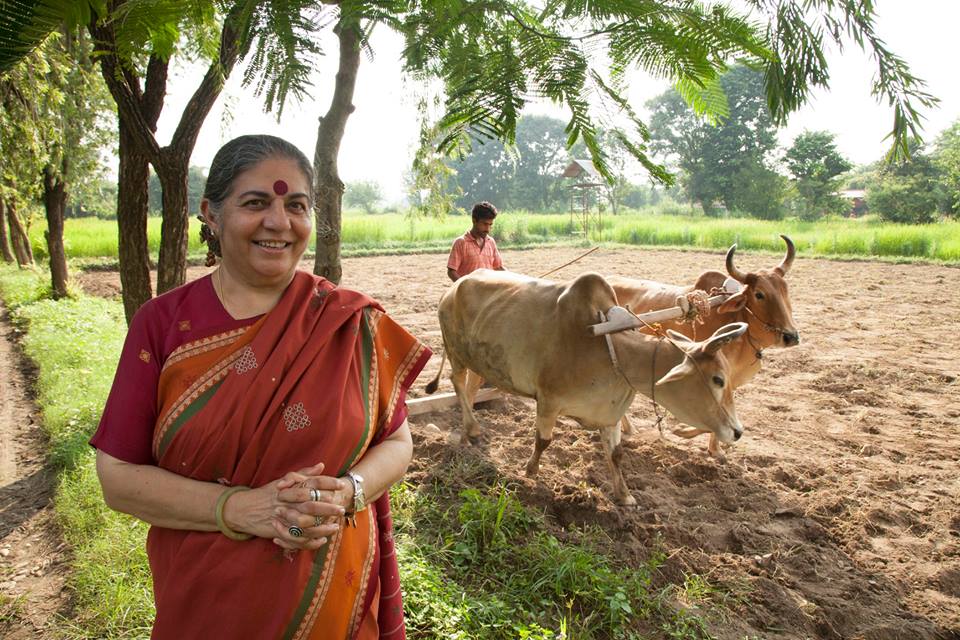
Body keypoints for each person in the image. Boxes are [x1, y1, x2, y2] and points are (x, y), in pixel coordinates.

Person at [90, 134, 431, 639]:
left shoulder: (350, 324)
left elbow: (397, 441)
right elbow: (117, 476)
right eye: (256, 203)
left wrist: (348, 491)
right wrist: (241, 510)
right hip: (208, 603)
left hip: (331, 601)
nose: (279, 222)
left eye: (296, 205)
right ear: (211, 213)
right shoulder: (163, 325)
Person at [446, 201, 505, 282]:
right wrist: (465, 288)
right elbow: (451, 271)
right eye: (485, 224)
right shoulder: (461, 242)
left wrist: (515, 280)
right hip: (469, 293)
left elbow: (498, 267)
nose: (488, 229)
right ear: (474, 221)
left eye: (490, 225)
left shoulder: (491, 242)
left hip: (488, 292)